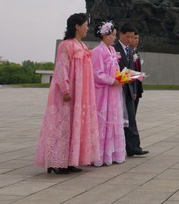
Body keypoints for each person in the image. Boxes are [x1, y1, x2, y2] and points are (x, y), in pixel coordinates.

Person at [35, 13, 100, 174]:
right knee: (62, 126)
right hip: (68, 94)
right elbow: (61, 69)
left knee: (74, 126)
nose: (87, 28)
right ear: (77, 26)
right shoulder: (66, 45)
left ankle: (69, 160)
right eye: (85, 24)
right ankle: (56, 162)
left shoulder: (83, 46)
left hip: (81, 95)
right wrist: (65, 89)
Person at [90, 21, 126, 166]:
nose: (114, 38)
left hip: (113, 91)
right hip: (103, 91)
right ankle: (99, 155)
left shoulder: (111, 50)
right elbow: (96, 73)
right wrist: (112, 80)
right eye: (112, 35)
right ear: (104, 35)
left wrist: (121, 77)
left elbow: (115, 69)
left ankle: (112, 153)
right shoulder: (98, 51)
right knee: (102, 120)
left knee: (113, 120)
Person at [113, 24, 148, 157]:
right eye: (127, 36)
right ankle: (123, 146)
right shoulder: (114, 49)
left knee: (131, 118)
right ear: (120, 35)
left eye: (132, 37)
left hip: (129, 89)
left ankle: (134, 147)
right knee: (120, 119)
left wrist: (134, 90)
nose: (129, 39)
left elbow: (132, 70)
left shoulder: (131, 51)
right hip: (118, 88)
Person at [130, 31, 144, 114]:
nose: (137, 40)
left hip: (137, 86)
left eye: (138, 38)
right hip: (131, 86)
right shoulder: (128, 52)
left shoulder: (136, 51)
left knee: (134, 111)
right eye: (135, 38)